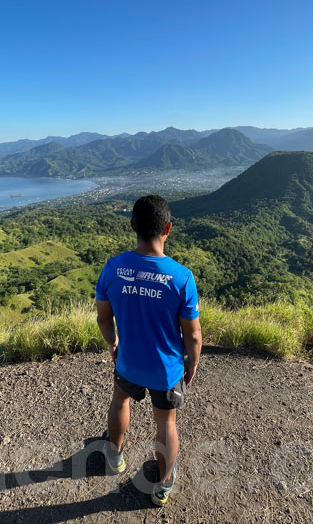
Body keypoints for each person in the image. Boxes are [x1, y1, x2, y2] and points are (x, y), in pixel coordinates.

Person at [95, 194, 202, 506]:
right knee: (165, 423)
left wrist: (114, 344)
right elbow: (192, 334)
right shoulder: (182, 278)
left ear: (132, 226)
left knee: (119, 401)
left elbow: (103, 318)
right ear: (167, 228)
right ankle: (163, 487)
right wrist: (192, 363)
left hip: (128, 361)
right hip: (166, 369)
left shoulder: (113, 268)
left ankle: (114, 458)